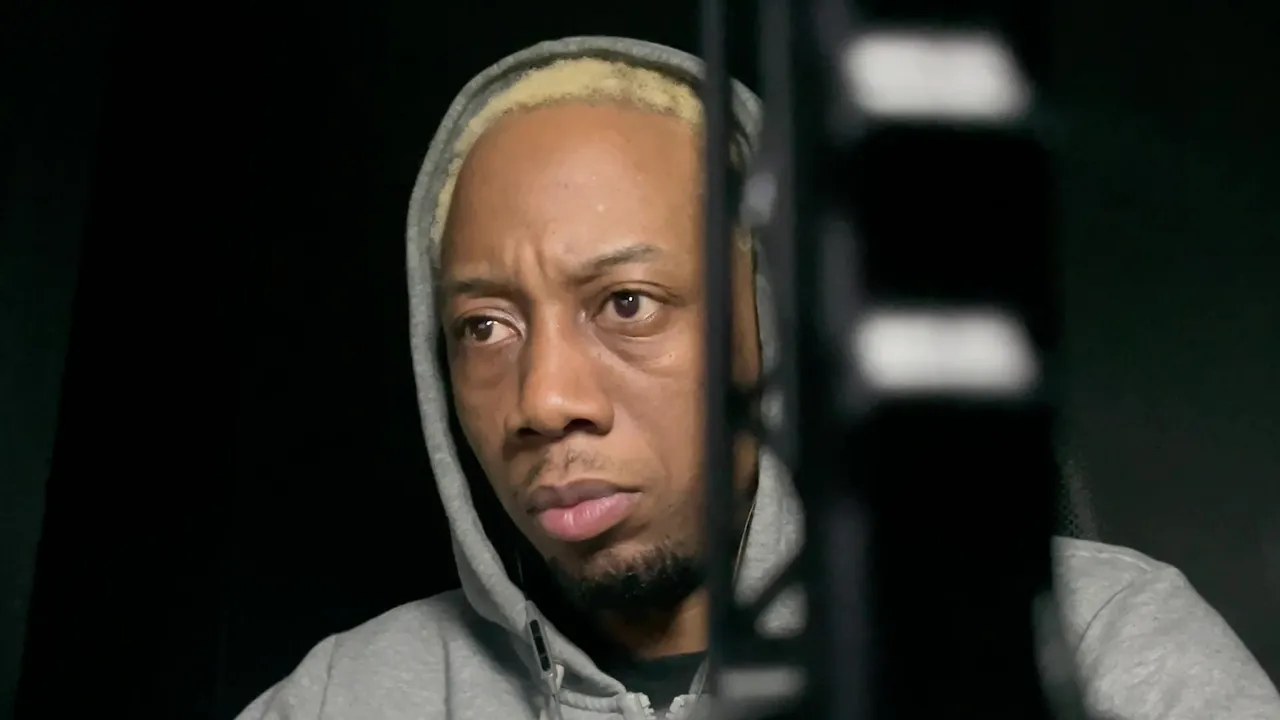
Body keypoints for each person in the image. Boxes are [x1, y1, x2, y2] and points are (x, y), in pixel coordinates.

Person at [235, 36, 1280, 720]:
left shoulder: (1095, 645)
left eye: (627, 303)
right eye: (485, 326)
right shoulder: (344, 697)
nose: (545, 401)